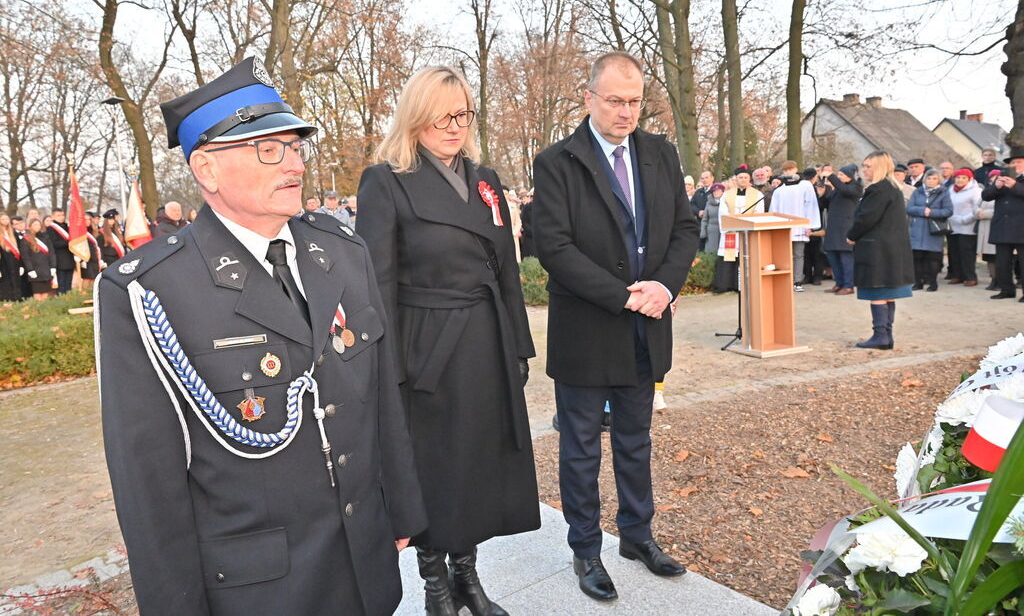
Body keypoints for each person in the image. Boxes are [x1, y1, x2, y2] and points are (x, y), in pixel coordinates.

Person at [97, 57, 426, 615]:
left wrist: (402, 509)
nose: (293, 164)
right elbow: (148, 481)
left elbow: (379, 395)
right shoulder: (151, 290)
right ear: (207, 170)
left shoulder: (342, 251)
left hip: (365, 556)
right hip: (261, 586)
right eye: (268, 149)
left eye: (295, 147)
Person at [356, 66, 537, 616]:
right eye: (442, 115)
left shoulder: (485, 178)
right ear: (416, 116)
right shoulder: (386, 180)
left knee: (476, 463)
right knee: (433, 469)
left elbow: (506, 267)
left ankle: (467, 577)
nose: (454, 126)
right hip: (425, 347)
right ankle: (435, 585)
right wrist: (388, 362)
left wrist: (519, 346)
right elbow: (375, 281)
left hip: (485, 341)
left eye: (463, 114)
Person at [533, 51, 698, 603]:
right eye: (615, 101)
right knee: (580, 446)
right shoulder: (557, 162)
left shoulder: (659, 154)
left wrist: (664, 288)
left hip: (646, 326)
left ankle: (637, 535)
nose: (626, 112)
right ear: (589, 98)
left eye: (634, 102)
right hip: (588, 328)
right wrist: (625, 296)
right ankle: (585, 549)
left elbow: (684, 228)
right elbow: (554, 248)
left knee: (635, 440)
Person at [847, 151, 914, 349]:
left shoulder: (879, 189)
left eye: (868, 166)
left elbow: (866, 217)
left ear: (878, 167)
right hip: (889, 248)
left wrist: (852, 235)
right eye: (864, 165)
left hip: (877, 248)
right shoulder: (892, 187)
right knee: (887, 293)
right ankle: (885, 335)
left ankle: (881, 335)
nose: (864, 170)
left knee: (877, 292)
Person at [769, 161, 821, 292]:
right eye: (785, 171)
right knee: (784, 254)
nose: (788, 173)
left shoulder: (805, 186)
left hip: (800, 226)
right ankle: (786, 279)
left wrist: (811, 225)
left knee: (798, 254)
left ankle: (797, 281)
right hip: (783, 227)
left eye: (790, 170)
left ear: (796, 169)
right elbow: (773, 210)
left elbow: (811, 205)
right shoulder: (779, 190)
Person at [714, 167, 763, 293]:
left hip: (748, 232)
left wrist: (748, 226)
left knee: (745, 257)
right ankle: (725, 285)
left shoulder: (757, 195)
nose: (743, 180)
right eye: (740, 177)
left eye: (746, 177)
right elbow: (722, 213)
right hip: (731, 232)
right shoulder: (727, 194)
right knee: (729, 258)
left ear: (749, 179)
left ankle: (742, 286)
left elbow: (759, 213)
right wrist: (731, 225)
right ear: (736, 179)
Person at [984, 150, 1024, 301]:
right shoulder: (1002, 179)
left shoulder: (1016, 182)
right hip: (1003, 227)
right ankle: (1007, 290)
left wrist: (1014, 185)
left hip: (1021, 227)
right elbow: (986, 196)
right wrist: (997, 186)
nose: (1014, 165)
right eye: (1012, 163)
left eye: (1019, 162)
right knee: (1002, 263)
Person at [907, 169, 953, 291]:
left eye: (934, 179)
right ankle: (918, 282)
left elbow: (948, 210)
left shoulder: (944, 193)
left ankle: (933, 283)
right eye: (929, 178)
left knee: (932, 258)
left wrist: (932, 212)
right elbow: (910, 208)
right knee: (916, 258)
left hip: (933, 230)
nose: (931, 181)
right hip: (917, 229)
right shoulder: (918, 192)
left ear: (939, 180)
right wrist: (922, 210)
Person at [822, 164, 862, 295]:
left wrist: (832, 176)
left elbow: (845, 190)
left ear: (850, 176)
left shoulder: (855, 187)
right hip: (833, 227)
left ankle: (848, 285)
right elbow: (827, 204)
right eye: (838, 174)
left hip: (846, 228)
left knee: (846, 258)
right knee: (833, 257)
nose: (839, 177)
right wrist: (822, 194)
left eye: (841, 175)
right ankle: (839, 283)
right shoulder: (837, 189)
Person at [947, 168, 982, 286]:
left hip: (967, 227)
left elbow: (977, 208)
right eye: (958, 177)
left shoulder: (975, 191)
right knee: (954, 252)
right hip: (952, 225)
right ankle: (957, 275)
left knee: (967, 253)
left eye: (963, 178)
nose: (960, 180)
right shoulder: (951, 190)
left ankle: (970, 277)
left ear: (969, 179)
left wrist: (964, 219)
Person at [976, 169, 1001, 290]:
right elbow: (976, 205)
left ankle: (999, 280)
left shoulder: (1002, 192)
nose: (993, 181)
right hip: (984, 228)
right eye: (991, 179)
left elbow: (1001, 210)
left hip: (996, 226)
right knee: (988, 257)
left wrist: (986, 214)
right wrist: (977, 212)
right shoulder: (986, 192)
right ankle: (993, 279)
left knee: (998, 257)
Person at [22, 218, 56, 300]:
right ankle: (38, 311)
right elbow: (25, 256)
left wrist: (53, 266)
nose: (37, 226)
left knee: (46, 292)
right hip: (35, 270)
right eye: (35, 225)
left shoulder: (45, 237)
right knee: (37, 293)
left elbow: (52, 253)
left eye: (39, 224)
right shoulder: (26, 239)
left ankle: (44, 310)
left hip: (46, 269)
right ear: (30, 226)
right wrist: (30, 270)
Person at [46, 208, 75, 294]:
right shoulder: (51, 228)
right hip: (59, 259)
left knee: (68, 284)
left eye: (62, 215)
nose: (61, 217)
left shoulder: (67, 227)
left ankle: (69, 299)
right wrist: (70, 242)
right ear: (53, 217)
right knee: (61, 283)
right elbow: (55, 244)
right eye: (58, 215)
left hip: (70, 258)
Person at [0, 214, 24, 301]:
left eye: (7, 218)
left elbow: (20, 249)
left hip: (14, 260)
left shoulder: (13, 232)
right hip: (3, 261)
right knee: (6, 281)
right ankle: (7, 299)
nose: (5, 220)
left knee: (16, 280)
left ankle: (17, 298)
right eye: (2, 219)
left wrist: (21, 264)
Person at [79, 211, 103, 290]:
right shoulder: (80, 231)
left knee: (94, 278)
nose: (87, 221)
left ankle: (91, 294)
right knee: (87, 278)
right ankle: (84, 294)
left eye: (89, 219)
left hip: (95, 258)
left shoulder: (94, 231)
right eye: (85, 220)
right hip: (86, 258)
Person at [700, 182, 725, 254]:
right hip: (711, 230)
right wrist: (703, 231)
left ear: (722, 192)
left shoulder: (725, 202)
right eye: (714, 191)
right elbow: (704, 219)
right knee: (711, 251)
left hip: (723, 230)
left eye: (718, 191)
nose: (716, 192)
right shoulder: (708, 203)